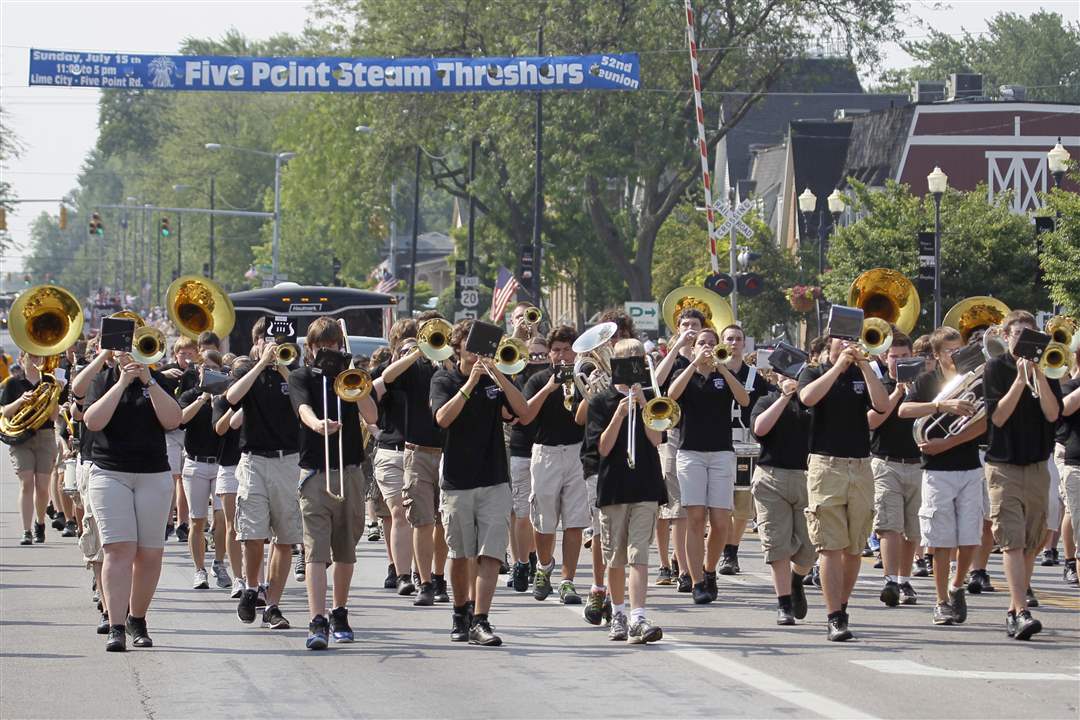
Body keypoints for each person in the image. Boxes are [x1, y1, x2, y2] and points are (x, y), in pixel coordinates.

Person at [430, 319, 528, 646]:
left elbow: (523, 412)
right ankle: (460, 610)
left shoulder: (494, 380)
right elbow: (443, 418)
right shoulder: (444, 378)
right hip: (458, 480)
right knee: (461, 554)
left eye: (482, 351)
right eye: (471, 350)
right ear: (458, 348)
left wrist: (498, 375)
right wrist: (470, 383)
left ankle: (481, 619)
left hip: (494, 478)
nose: (477, 357)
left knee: (491, 554)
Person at [83, 349, 182, 651]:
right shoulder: (103, 379)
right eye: (124, 349)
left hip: (153, 472)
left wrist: (148, 380)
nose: (130, 355)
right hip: (110, 472)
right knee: (117, 549)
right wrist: (122, 383)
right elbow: (92, 421)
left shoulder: (158, 380)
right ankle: (115, 624)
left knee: (150, 554)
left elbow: (173, 420)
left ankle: (137, 618)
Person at [289, 317, 378, 649]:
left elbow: (371, 417)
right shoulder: (301, 376)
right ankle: (317, 619)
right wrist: (317, 425)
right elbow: (302, 408)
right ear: (310, 350)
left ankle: (339, 610)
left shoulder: (352, 379)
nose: (327, 352)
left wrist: (354, 380)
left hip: (351, 471)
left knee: (346, 547)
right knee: (314, 549)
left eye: (333, 346)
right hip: (315, 473)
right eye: (321, 347)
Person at [797, 331, 888, 641]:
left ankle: (843, 605)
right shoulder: (814, 371)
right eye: (840, 340)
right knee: (830, 546)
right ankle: (834, 615)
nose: (848, 345)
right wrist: (837, 366)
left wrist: (864, 366)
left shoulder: (865, 372)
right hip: (826, 465)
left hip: (861, 465)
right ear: (828, 345)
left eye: (852, 340)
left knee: (854, 547)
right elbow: (807, 398)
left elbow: (882, 405)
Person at [899, 326, 987, 626]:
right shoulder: (927, 380)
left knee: (970, 536)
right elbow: (904, 411)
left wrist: (948, 442)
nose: (956, 355)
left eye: (958, 348)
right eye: (949, 351)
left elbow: (985, 422)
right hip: (937, 472)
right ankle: (940, 601)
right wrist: (940, 404)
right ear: (936, 355)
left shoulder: (976, 379)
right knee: (941, 539)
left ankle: (957, 585)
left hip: (970, 466)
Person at [982, 310, 1062, 640]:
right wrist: (1019, 379)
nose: (1024, 341)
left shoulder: (1048, 369)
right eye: (1018, 335)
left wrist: (1038, 377)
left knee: (1032, 541)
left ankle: (1015, 611)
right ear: (1006, 336)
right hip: (1004, 466)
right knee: (1012, 540)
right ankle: (1022, 608)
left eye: (1031, 335)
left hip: (1037, 464)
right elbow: (998, 417)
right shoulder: (996, 368)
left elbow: (1053, 413)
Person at [585, 338, 667, 644]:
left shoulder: (653, 397)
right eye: (627, 359)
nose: (633, 363)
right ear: (614, 363)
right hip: (614, 487)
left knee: (639, 555)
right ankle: (618, 612)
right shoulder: (601, 401)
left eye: (638, 359)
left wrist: (644, 404)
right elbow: (602, 448)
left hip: (645, 485)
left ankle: (638, 616)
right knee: (615, 557)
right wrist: (619, 414)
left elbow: (657, 440)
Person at [225, 318, 302, 631]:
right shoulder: (246, 372)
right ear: (256, 343)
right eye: (266, 341)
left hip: (288, 461)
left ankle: (273, 604)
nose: (272, 347)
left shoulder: (294, 373)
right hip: (254, 460)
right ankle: (251, 587)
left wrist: (282, 366)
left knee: (285, 538)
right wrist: (261, 364)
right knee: (253, 535)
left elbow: (304, 405)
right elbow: (231, 398)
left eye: (278, 343)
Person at [666, 327, 750, 604]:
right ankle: (696, 581)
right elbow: (671, 395)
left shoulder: (724, 375)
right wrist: (693, 363)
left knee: (720, 520)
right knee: (695, 518)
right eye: (702, 343)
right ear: (694, 346)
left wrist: (722, 368)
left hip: (721, 453)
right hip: (690, 452)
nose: (707, 347)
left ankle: (710, 569)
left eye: (711, 343)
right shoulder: (685, 373)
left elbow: (744, 399)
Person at [379, 312, 452, 606]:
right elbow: (386, 377)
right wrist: (416, 353)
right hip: (417, 451)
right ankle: (422, 582)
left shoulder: (450, 367)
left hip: (448, 452)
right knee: (421, 520)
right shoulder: (413, 366)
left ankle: (438, 577)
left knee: (443, 522)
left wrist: (446, 358)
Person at [519, 325, 589, 604]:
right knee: (544, 519)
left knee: (575, 521)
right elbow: (525, 416)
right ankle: (544, 566)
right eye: (556, 350)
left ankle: (568, 580)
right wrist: (551, 387)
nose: (562, 355)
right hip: (545, 452)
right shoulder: (538, 380)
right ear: (549, 353)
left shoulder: (585, 378)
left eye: (567, 349)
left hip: (577, 453)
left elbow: (586, 418)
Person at [750, 368, 815, 625]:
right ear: (775, 377)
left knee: (810, 548)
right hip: (771, 477)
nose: (789, 378)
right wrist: (784, 398)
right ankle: (784, 603)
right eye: (783, 374)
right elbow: (760, 429)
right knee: (777, 545)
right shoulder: (767, 400)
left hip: (807, 478)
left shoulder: (811, 402)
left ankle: (796, 579)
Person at [866, 331, 923, 607]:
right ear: (884, 358)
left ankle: (903, 580)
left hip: (918, 462)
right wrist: (898, 391)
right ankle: (889, 580)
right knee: (890, 526)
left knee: (913, 529)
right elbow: (872, 422)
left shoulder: (923, 384)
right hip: (885, 462)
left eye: (904, 356)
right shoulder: (878, 384)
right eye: (894, 357)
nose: (899, 361)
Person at [652, 308, 703, 592]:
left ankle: (682, 561)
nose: (690, 329)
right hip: (670, 434)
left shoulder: (706, 357)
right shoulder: (670, 358)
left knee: (684, 507)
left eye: (694, 325)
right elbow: (657, 382)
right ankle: (674, 566)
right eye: (684, 325)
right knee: (671, 507)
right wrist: (677, 348)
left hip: (697, 437)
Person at [717, 324, 774, 576]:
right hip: (718, 439)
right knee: (719, 502)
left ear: (744, 343)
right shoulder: (713, 371)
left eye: (738, 339)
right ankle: (718, 548)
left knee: (742, 501)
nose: (733, 343)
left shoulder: (755, 377)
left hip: (746, 440)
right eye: (729, 338)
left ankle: (731, 551)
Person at [370, 323, 414, 593]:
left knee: (420, 517)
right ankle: (400, 572)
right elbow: (375, 389)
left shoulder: (428, 373)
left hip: (420, 452)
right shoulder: (385, 373)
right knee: (396, 513)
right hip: (391, 451)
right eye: (405, 347)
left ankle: (421, 572)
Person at [1, 352, 58, 545]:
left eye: (39, 358)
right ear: (21, 360)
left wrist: (55, 394)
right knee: (26, 482)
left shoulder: (49, 382)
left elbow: (53, 418)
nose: (35, 362)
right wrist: (19, 401)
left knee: (42, 486)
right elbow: (4, 412)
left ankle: (40, 523)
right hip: (21, 438)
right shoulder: (12, 383)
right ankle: (26, 531)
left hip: (45, 436)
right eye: (31, 358)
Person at [506, 337, 548, 591]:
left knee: (543, 516)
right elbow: (517, 414)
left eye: (542, 355)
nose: (537, 360)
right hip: (522, 450)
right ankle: (520, 562)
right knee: (521, 513)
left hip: (548, 450)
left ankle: (535, 559)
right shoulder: (517, 379)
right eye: (532, 355)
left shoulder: (554, 379)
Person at [212, 360, 246, 599]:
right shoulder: (222, 401)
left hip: (254, 463)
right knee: (233, 526)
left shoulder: (262, 398)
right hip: (229, 466)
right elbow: (220, 429)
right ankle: (238, 579)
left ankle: (255, 579)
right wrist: (236, 406)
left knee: (255, 530)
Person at [159, 336, 198, 543]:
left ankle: (184, 522)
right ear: (176, 355)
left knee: (185, 478)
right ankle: (167, 521)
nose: (187, 358)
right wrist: (164, 375)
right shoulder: (168, 370)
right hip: (171, 431)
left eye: (191, 354)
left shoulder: (196, 372)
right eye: (183, 354)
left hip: (190, 430)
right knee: (171, 477)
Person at [1058, 356, 1080, 586]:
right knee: (1073, 514)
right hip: (1074, 461)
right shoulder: (1071, 386)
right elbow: (1064, 409)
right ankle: (1070, 560)